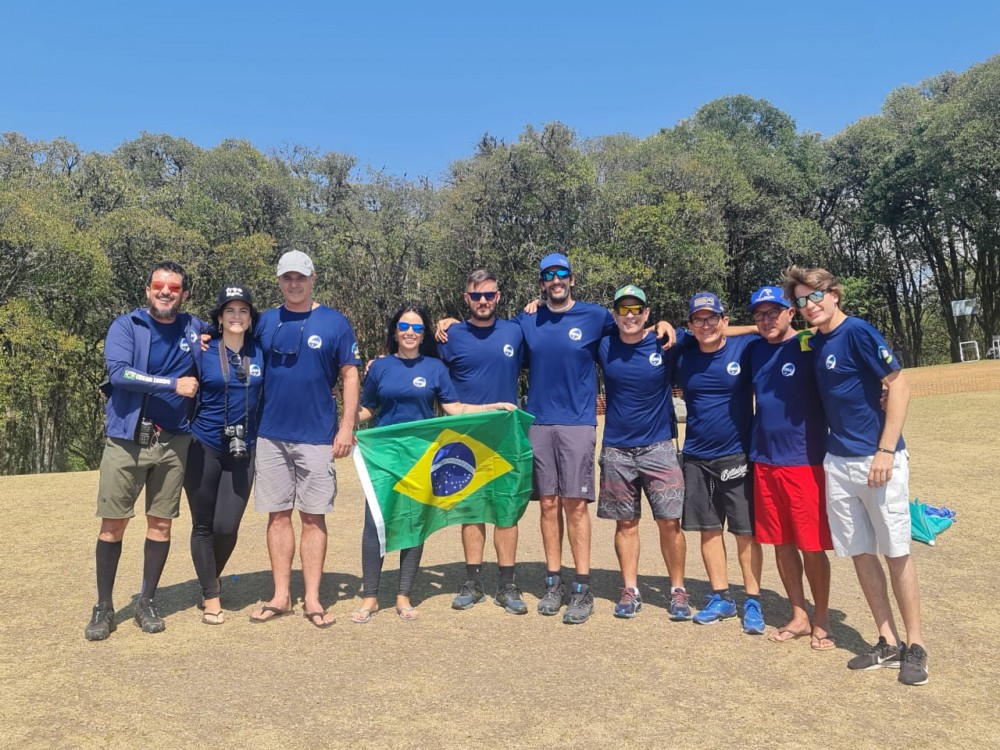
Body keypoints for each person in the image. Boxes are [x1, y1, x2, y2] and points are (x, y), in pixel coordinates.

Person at [785, 266, 928, 686]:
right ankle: (886, 640)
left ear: (833, 295)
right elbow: (766, 331)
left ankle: (916, 645)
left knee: (896, 550)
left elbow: (898, 386)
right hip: (838, 462)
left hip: (878, 461)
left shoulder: (859, 331)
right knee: (861, 553)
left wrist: (885, 449)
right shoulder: (814, 340)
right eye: (800, 300)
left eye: (815, 296)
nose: (808, 306)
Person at [353, 304, 515, 622]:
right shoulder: (380, 367)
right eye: (404, 326)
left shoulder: (435, 368)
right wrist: (342, 424)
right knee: (375, 524)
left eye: (417, 328)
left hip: (421, 458)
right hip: (385, 456)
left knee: (414, 523)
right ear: (395, 330)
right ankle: (370, 597)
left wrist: (492, 407)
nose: (410, 333)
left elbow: (454, 409)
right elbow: (367, 408)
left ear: (424, 334)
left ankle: (403, 595)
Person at [84, 261, 202, 640]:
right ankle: (103, 605)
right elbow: (119, 374)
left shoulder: (195, 327)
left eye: (173, 287)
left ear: (184, 294)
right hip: (127, 439)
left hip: (174, 441)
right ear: (148, 290)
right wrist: (172, 384)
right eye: (158, 285)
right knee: (113, 524)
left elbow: (236, 330)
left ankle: (146, 600)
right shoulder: (126, 326)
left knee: (161, 523)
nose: (165, 291)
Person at [251, 250, 361, 629]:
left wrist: (346, 427)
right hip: (270, 434)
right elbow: (232, 346)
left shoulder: (334, 323)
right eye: (287, 278)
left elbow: (350, 374)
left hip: (317, 436)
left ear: (313, 277)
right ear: (279, 280)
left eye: (300, 277)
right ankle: (281, 596)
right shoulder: (264, 321)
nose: (293, 284)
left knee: (314, 518)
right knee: (277, 515)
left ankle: (312, 599)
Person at [515, 253, 617, 624]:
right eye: (548, 275)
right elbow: (492, 334)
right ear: (542, 282)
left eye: (562, 274)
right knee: (546, 504)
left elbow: (631, 328)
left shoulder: (595, 316)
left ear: (572, 279)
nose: (556, 280)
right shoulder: (528, 319)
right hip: (539, 422)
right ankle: (554, 581)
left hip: (577, 423)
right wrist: (446, 324)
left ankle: (582, 586)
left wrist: (667, 326)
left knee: (575, 504)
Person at [671, 292, 765, 634]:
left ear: (725, 321)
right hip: (696, 458)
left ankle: (752, 599)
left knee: (745, 533)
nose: (706, 325)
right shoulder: (683, 355)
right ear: (691, 325)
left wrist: (753, 326)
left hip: (737, 455)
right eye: (699, 319)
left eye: (713, 318)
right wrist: (671, 327)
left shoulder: (746, 348)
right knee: (709, 531)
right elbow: (669, 334)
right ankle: (721, 597)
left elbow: (765, 332)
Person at [746, 286, 834, 650]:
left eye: (774, 312)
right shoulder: (753, 349)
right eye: (759, 315)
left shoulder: (810, 346)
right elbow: (723, 332)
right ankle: (798, 614)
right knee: (781, 544)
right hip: (764, 461)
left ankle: (822, 619)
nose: (767, 320)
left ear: (790, 313)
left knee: (811, 545)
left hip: (804, 461)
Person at [437, 270, 529, 615]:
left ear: (498, 296)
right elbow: (416, 358)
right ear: (466, 299)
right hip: (464, 438)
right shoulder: (450, 335)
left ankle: (507, 584)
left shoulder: (515, 331)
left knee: (506, 511)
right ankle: (473, 582)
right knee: (472, 511)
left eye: (489, 295)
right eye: (476, 296)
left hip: (506, 436)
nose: (483, 302)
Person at [597, 285, 691, 621]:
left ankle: (678, 590)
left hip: (659, 446)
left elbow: (716, 331)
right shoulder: (604, 344)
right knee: (626, 523)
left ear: (648, 313)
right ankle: (630, 589)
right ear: (614, 315)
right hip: (617, 449)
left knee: (670, 523)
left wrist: (756, 328)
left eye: (637, 309)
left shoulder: (664, 342)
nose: (630, 315)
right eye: (623, 309)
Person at [182, 283, 264, 625]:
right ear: (218, 317)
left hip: (244, 447)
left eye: (243, 310)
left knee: (227, 525)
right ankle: (211, 594)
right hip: (203, 445)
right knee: (203, 525)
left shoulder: (261, 352)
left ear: (250, 317)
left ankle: (210, 578)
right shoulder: (201, 350)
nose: (236, 316)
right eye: (229, 310)